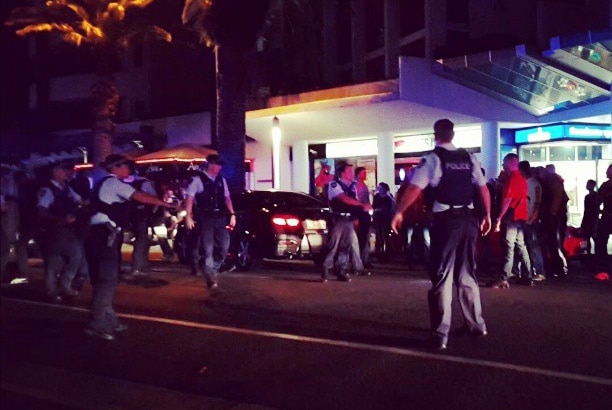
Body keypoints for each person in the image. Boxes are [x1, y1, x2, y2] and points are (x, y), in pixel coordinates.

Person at [391, 119, 491, 351]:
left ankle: (440, 334)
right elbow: (483, 187)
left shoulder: (433, 159)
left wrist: (399, 212)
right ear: (453, 134)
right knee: (467, 273)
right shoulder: (468, 158)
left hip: (447, 223)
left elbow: (415, 188)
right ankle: (477, 324)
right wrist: (487, 215)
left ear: (435, 134)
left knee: (442, 276)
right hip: (469, 220)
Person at [84, 154, 173, 340]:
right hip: (104, 235)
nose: (128, 170)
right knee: (107, 281)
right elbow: (138, 196)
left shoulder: (105, 183)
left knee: (108, 280)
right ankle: (97, 324)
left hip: (102, 234)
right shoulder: (113, 183)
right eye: (125, 166)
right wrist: (164, 203)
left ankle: (108, 319)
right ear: (115, 167)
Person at [184, 154, 236, 290]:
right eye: (217, 164)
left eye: (220, 165)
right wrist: (188, 216)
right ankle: (211, 278)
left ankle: (212, 267)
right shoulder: (197, 179)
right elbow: (190, 198)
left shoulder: (221, 180)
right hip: (205, 217)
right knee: (208, 248)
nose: (219, 167)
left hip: (220, 215)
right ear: (211, 164)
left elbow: (227, 198)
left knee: (224, 246)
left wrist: (232, 214)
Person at [37, 161, 86, 303]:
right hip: (53, 229)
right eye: (62, 170)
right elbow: (41, 211)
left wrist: (82, 206)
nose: (65, 172)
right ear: (54, 172)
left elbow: (79, 200)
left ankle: (65, 283)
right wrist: (60, 218)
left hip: (67, 228)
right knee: (52, 260)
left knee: (76, 255)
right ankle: (51, 291)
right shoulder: (47, 190)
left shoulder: (65, 188)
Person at [321, 160, 372, 282]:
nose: (351, 173)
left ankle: (341, 271)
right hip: (338, 218)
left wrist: (356, 216)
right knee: (333, 245)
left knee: (346, 246)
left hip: (349, 218)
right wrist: (362, 204)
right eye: (348, 171)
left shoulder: (351, 186)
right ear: (342, 173)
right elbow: (343, 199)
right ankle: (325, 269)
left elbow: (352, 203)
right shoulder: (335, 184)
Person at [490, 154, 533, 288]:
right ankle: (528, 275)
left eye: (504, 162)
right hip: (521, 217)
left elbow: (507, 199)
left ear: (510, 163)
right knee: (521, 245)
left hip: (512, 217)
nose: (502, 165)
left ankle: (504, 277)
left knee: (508, 247)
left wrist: (499, 218)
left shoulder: (513, 179)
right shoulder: (522, 179)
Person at [123, 163, 159, 275]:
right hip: (140, 215)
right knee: (142, 239)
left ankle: (139, 265)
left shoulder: (122, 182)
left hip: (125, 215)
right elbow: (153, 197)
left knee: (136, 239)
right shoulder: (143, 182)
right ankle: (138, 266)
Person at [540, 164, 569, 278]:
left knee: (552, 243)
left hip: (553, 217)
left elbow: (556, 199)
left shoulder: (553, 182)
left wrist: (552, 213)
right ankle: (559, 268)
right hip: (556, 216)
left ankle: (558, 268)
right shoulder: (556, 181)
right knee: (554, 243)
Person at [519, 161, 546, 281]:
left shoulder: (531, 184)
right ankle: (530, 270)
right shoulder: (533, 184)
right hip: (527, 218)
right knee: (528, 245)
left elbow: (536, 202)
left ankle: (539, 271)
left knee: (532, 245)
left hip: (529, 219)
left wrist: (533, 215)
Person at [594, 164, 611, 281]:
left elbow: (598, 201)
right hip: (607, 215)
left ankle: (604, 269)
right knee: (601, 242)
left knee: (601, 243)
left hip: (607, 216)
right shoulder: (605, 185)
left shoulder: (605, 186)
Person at [354, 166, 373, 269]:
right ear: (358, 174)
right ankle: (360, 260)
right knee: (360, 238)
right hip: (360, 213)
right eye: (363, 173)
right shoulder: (355, 186)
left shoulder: (364, 185)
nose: (365, 175)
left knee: (366, 237)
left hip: (366, 214)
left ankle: (365, 259)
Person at [372, 182, 394, 260]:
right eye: (379, 188)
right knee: (378, 235)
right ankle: (379, 253)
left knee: (386, 235)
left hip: (386, 218)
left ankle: (387, 253)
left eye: (381, 188)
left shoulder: (388, 197)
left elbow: (391, 206)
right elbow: (374, 206)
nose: (380, 189)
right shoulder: (377, 196)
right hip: (378, 218)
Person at [580, 179, 599, 255]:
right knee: (590, 239)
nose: (586, 186)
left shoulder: (589, 197)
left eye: (588, 184)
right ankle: (594, 255)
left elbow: (587, 211)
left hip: (589, 220)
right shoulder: (594, 196)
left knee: (585, 239)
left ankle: (586, 253)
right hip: (591, 220)